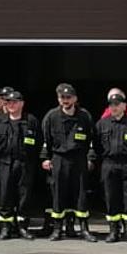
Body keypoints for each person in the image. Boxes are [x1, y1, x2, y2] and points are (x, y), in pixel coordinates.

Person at [40, 84, 97, 242]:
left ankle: (84, 229)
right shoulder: (51, 116)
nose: (65, 100)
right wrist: (45, 158)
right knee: (58, 194)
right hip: (59, 159)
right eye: (62, 98)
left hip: (79, 159)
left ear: (75, 99)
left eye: (68, 97)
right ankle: (57, 229)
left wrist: (90, 158)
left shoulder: (84, 116)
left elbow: (92, 140)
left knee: (80, 194)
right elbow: (45, 140)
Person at [94, 91, 127, 243]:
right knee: (111, 197)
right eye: (111, 105)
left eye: (117, 104)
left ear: (124, 106)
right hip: (109, 164)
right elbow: (96, 145)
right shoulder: (102, 123)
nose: (114, 107)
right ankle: (113, 230)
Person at [0, 91, 43, 240]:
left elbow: (39, 142)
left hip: (25, 164)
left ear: (22, 103)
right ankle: (5, 228)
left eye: (14, 102)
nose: (11, 105)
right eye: (8, 102)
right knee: (5, 196)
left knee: (24, 195)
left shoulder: (31, 121)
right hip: (5, 163)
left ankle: (22, 227)